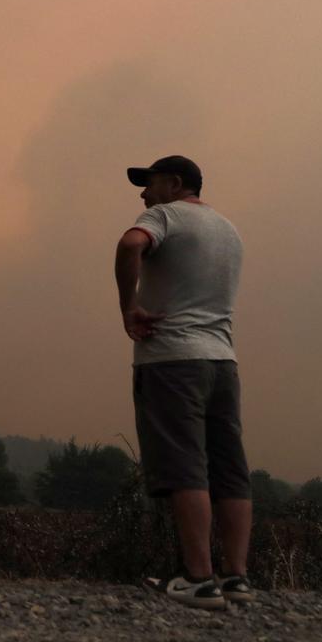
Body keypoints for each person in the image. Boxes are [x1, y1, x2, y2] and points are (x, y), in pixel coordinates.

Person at [114, 155, 254, 610]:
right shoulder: (228, 230)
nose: (142, 193)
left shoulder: (164, 216)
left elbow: (129, 244)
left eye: (149, 183)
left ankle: (198, 579)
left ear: (174, 184)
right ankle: (236, 577)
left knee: (185, 467)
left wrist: (128, 306)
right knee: (229, 470)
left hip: (173, 361)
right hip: (223, 363)